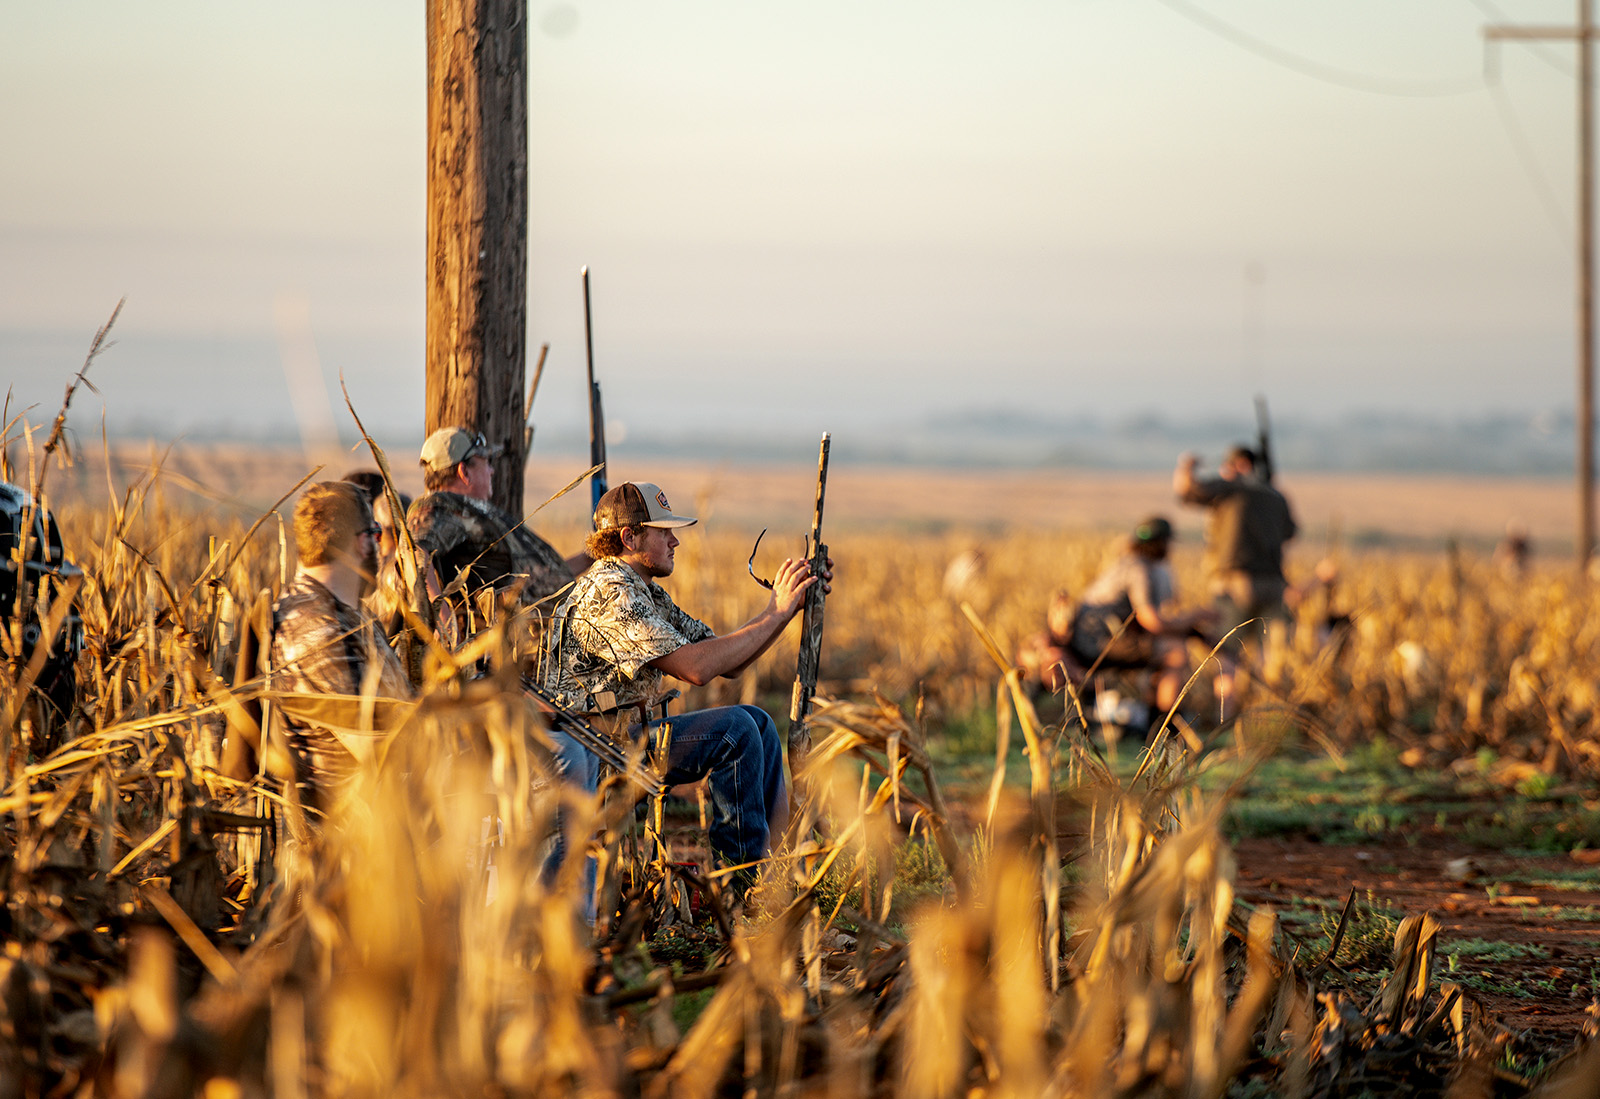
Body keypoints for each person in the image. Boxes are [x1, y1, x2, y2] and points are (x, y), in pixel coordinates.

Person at [543, 481, 829, 890]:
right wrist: (777, 613)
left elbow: (719, 658)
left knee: (759, 723)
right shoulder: (610, 591)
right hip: (598, 755)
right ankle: (740, 886)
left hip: (626, 740)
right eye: (664, 532)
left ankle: (777, 873)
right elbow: (696, 669)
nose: (675, 541)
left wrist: (783, 609)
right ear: (630, 537)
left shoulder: (642, 590)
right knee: (737, 731)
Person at [270, 481, 412, 814]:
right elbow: (379, 748)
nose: (379, 546)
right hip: (357, 836)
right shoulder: (315, 628)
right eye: (377, 535)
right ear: (363, 542)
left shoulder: (349, 614)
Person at [407, 427, 589, 640]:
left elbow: (539, 576)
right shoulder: (439, 506)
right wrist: (441, 619)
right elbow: (413, 550)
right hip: (505, 653)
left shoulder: (469, 511)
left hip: (546, 642)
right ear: (464, 472)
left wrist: (591, 556)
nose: (492, 471)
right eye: (486, 463)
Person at [1174, 446, 1297, 717]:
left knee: (1227, 655)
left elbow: (1187, 492)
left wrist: (1186, 466)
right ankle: (1270, 719)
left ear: (1240, 465)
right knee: (1270, 657)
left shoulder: (1232, 488)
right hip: (1275, 585)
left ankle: (1224, 719)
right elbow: (1289, 532)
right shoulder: (1276, 495)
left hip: (1235, 583)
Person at [1065, 517, 1211, 721]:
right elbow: (1151, 621)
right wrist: (1193, 618)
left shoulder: (1130, 564)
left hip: (1097, 639)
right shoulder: (1138, 569)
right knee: (1175, 653)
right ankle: (1165, 722)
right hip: (1100, 642)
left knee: (1163, 648)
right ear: (1158, 543)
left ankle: (1152, 717)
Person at [1016, 588, 1081, 695]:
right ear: (1050, 616)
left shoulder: (1066, 646)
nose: (1064, 621)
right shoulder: (1051, 652)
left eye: (1068, 616)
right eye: (1057, 614)